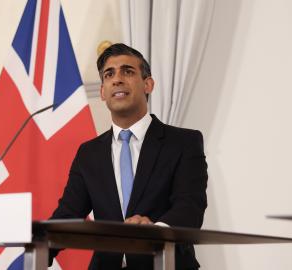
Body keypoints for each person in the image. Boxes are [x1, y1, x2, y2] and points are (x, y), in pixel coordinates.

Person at [49, 43, 208, 269]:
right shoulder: (89, 153)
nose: (118, 79)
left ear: (148, 84)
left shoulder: (183, 142)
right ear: (103, 92)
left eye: (128, 71)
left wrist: (156, 232)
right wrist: (38, 247)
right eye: (109, 74)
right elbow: (68, 215)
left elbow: (190, 207)